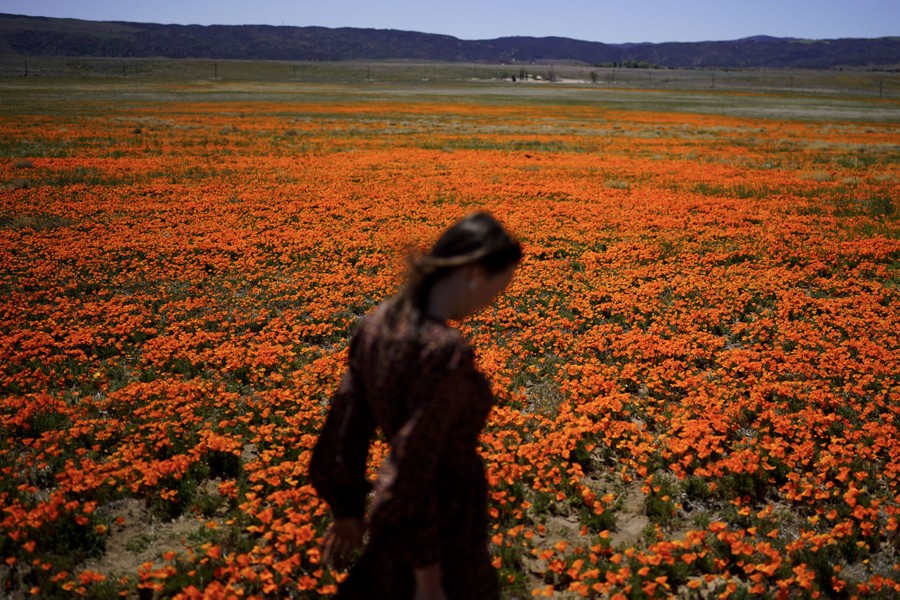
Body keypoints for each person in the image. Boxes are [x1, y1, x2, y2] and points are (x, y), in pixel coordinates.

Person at [309, 211, 522, 599]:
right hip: (443, 528)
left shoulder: (378, 325)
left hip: (399, 525)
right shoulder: (444, 351)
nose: (493, 302)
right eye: (498, 288)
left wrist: (348, 510)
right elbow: (413, 465)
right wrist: (428, 576)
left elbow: (345, 429)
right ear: (475, 272)